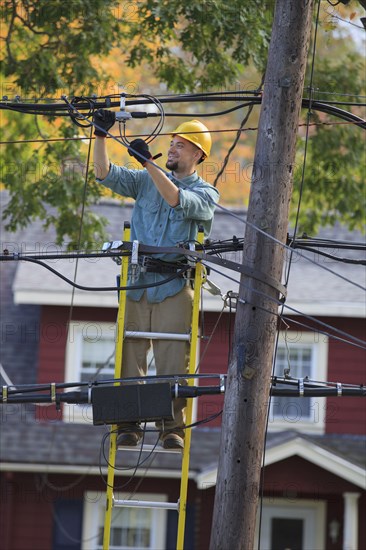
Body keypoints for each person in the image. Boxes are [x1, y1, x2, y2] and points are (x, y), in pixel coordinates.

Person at [93, 110, 219, 449]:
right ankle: (129, 424)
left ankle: (171, 428)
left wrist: (150, 163)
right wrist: (100, 136)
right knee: (130, 354)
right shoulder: (145, 180)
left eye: (182, 146)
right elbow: (103, 174)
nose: (174, 149)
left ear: (198, 155)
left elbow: (176, 199)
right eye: (172, 144)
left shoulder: (207, 193)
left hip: (175, 285)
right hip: (137, 281)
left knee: (173, 358)